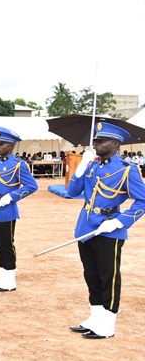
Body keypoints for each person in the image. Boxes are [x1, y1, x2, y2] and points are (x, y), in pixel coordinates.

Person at [65, 122, 145, 339]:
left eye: (101, 140)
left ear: (116, 144)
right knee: (90, 273)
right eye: (96, 140)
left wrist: (120, 221)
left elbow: (142, 201)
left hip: (110, 228)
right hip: (86, 226)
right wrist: (81, 166)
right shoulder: (93, 166)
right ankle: (95, 316)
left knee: (108, 276)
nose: (96, 143)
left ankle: (108, 322)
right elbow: (72, 192)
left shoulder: (127, 169)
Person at [0, 129, 38, 292]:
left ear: (11, 146)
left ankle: (10, 279)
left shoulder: (19, 165)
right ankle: (2, 276)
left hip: (6, 210)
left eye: (2, 144)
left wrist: (12, 196)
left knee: (6, 245)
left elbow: (32, 186)